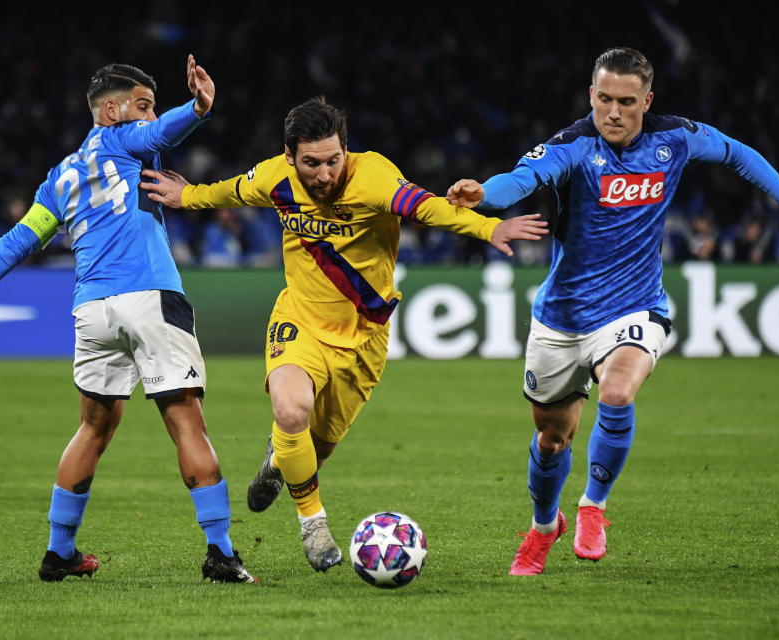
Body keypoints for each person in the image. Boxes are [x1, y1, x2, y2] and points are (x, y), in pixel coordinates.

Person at [446, 46, 779, 576]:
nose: (612, 111)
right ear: (591, 95)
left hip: (635, 305)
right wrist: (484, 193)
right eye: (603, 98)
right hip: (562, 317)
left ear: (646, 101)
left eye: (626, 102)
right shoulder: (573, 146)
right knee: (551, 436)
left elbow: (736, 152)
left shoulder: (673, 138)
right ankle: (543, 527)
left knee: (619, 389)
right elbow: (521, 179)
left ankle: (593, 506)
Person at [139, 96, 549, 571]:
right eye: (312, 163)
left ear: (346, 151)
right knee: (292, 411)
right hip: (300, 321)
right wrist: (188, 195)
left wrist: (487, 228)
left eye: (333, 160)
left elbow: (430, 209)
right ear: (290, 156)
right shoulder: (276, 177)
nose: (325, 173)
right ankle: (313, 524)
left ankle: (277, 462)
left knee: (317, 445)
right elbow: (232, 190)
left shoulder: (373, 176)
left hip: (365, 337)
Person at [0, 56, 255, 584]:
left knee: (92, 427)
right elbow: (165, 128)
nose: (147, 118)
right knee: (185, 420)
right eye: (140, 106)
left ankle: (58, 552)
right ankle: (221, 553)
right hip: (150, 298)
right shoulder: (126, 141)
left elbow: (16, 242)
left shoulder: (60, 180)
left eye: (150, 108)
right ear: (109, 111)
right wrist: (199, 107)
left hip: (92, 311)